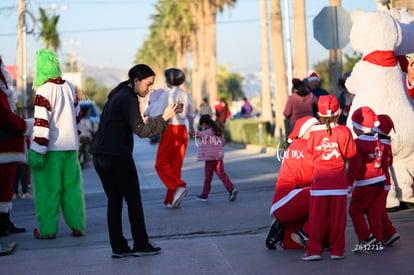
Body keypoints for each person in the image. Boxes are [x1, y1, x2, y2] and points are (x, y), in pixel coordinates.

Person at [90, 64, 178, 258]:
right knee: (133, 200)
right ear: (136, 81)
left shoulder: (120, 94)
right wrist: (165, 118)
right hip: (116, 156)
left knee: (114, 201)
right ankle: (140, 244)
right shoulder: (128, 98)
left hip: (100, 155)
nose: (150, 89)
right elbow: (142, 131)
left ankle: (119, 247)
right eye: (148, 84)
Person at [28, 49, 85, 240]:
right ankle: (77, 225)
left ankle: (48, 230)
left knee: (48, 191)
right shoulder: (69, 87)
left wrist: (37, 151)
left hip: (50, 150)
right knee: (72, 190)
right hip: (70, 148)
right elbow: (78, 119)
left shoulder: (43, 91)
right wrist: (76, 139)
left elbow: (41, 125)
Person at [303, 95, 356, 261]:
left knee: (316, 219)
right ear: (339, 112)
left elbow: (310, 153)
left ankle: (313, 251)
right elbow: (350, 153)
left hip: (319, 184)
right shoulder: (344, 131)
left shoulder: (313, 133)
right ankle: (337, 250)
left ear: (319, 114)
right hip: (338, 183)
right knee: (338, 219)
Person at [266, 116, 318, 250]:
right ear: (305, 131)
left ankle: (286, 231)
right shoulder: (301, 145)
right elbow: (306, 177)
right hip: (287, 199)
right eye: (315, 127)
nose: (318, 130)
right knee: (323, 194)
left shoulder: (298, 145)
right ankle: (302, 232)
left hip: (289, 198)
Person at [0, 57, 32, 240]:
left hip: (8, 146)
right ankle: (2, 223)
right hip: (4, 145)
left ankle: (5, 221)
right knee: (4, 187)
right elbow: (5, 118)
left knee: (7, 188)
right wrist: (25, 126)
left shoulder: (3, 93)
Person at [155, 68, 196, 208]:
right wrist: (191, 128)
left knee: (160, 164)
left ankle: (178, 186)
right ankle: (172, 199)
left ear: (168, 81)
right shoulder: (186, 95)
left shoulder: (166, 95)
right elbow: (191, 114)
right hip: (182, 130)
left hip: (171, 129)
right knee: (175, 167)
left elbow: (156, 112)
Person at [348, 107, 387, 252]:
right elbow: (384, 162)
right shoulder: (379, 142)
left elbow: (354, 166)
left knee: (355, 210)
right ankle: (378, 238)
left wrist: (348, 184)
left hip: (365, 182)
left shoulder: (358, 144)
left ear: (358, 128)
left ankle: (365, 238)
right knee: (374, 211)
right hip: (380, 179)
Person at [195, 115, 237, 202]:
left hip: (210, 159)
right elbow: (223, 142)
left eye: (202, 125)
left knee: (208, 177)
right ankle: (231, 189)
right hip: (218, 158)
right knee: (222, 174)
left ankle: (204, 194)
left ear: (204, 124)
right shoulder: (218, 131)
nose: (201, 127)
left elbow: (202, 135)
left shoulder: (207, 132)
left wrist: (194, 132)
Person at [372, 114, 400, 246]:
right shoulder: (387, 144)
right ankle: (386, 232)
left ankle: (386, 233)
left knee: (377, 211)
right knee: (380, 209)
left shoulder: (379, 145)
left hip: (380, 181)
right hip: (386, 181)